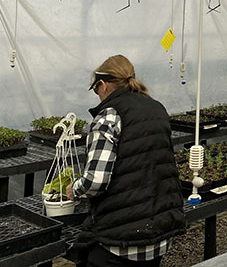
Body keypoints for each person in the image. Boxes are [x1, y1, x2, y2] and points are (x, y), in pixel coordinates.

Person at [66, 54, 185, 267]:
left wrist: (74, 189)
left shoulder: (109, 117)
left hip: (120, 240)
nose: (97, 95)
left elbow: (96, 181)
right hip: (159, 232)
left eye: (95, 89)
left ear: (102, 85)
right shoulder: (156, 108)